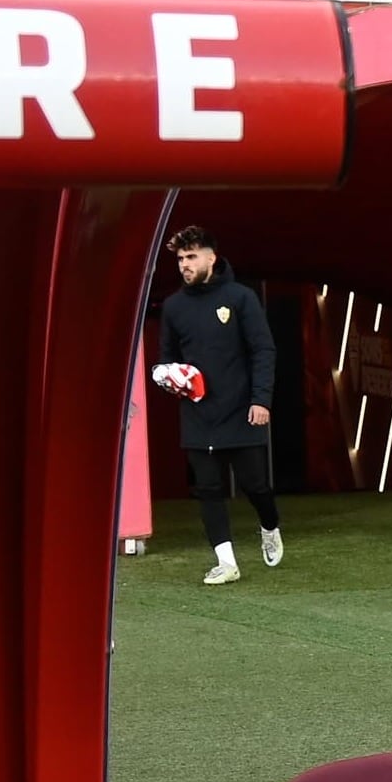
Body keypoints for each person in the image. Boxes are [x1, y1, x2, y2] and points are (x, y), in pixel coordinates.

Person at [155, 225, 284, 586]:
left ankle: (269, 526)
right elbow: (166, 359)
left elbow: (263, 349)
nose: (184, 264)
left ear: (211, 257)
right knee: (208, 489)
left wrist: (261, 400)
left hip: (242, 409)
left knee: (256, 485)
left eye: (191, 257)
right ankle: (226, 562)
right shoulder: (174, 306)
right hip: (198, 414)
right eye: (181, 258)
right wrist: (167, 376)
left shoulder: (240, 298)